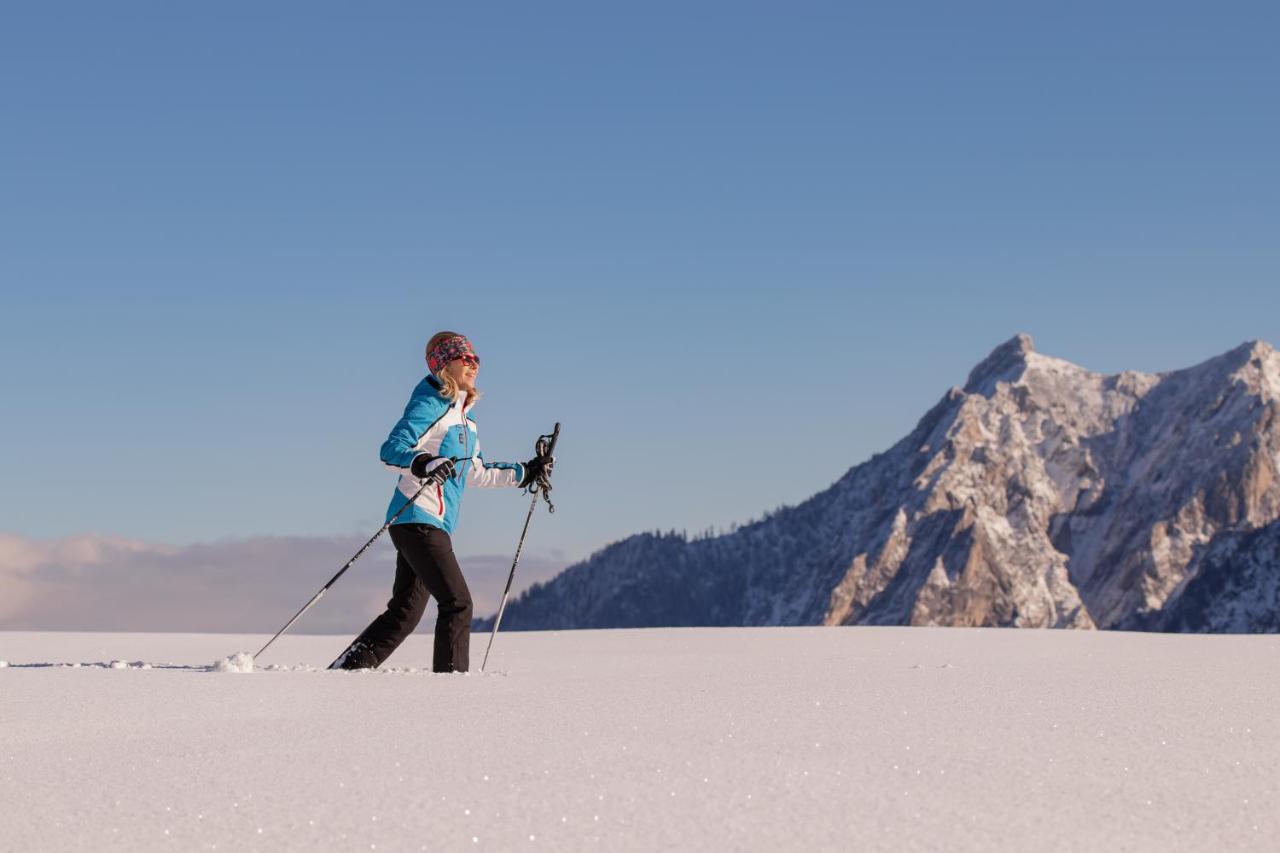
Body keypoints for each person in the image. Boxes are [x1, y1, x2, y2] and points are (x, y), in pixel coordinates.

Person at [330, 331, 551, 672]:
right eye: (465, 357)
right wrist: (423, 462)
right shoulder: (430, 404)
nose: (473, 363)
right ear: (444, 364)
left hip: (431, 524)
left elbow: (475, 471)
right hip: (418, 516)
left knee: (405, 613)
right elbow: (391, 450)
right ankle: (451, 687)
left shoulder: (466, 420)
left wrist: (526, 472)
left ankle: (347, 670)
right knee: (457, 603)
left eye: (476, 358)